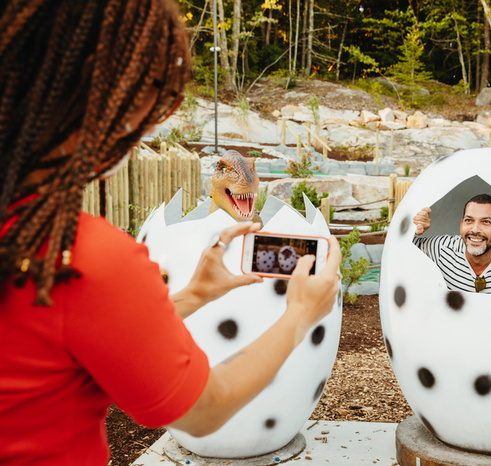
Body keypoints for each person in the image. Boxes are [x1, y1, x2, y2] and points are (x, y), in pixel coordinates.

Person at [0, 1, 341, 465]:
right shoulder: (83, 258)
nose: (145, 129)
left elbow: (78, 335)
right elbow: (205, 411)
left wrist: (193, 296)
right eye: (149, 99)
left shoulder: (29, 245)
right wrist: (299, 316)